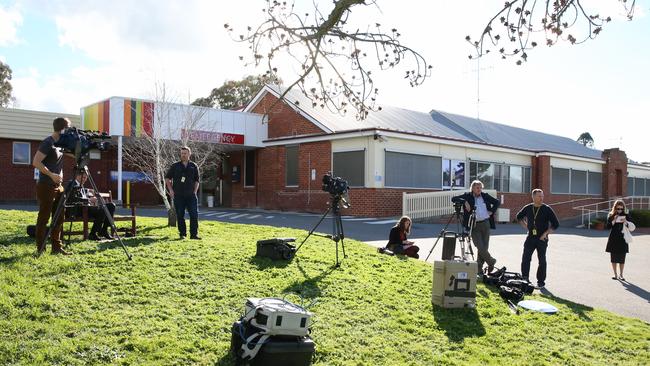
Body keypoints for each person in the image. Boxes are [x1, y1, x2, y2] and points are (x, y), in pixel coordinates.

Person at [32, 117, 73, 256]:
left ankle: (56, 247)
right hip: (46, 185)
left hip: (58, 185)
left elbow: (69, 157)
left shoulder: (61, 145)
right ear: (62, 129)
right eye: (68, 128)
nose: (69, 131)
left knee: (59, 217)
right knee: (44, 218)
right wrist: (51, 175)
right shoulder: (48, 142)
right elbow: (36, 162)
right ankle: (41, 248)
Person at [452, 180, 500, 275]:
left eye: (480, 187)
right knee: (480, 246)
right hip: (474, 225)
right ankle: (491, 261)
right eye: (477, 188)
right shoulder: (467, 195)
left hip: (486, 223)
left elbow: (497, 202)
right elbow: (453, 199)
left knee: (484, 248)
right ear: (472, 188)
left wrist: (492, 211)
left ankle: (479, 270)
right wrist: (464, 201)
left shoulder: (485, 196)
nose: (479, 189)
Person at [516, 189, 560, 289]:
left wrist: (545, 234)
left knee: (542, 260)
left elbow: (556, 224)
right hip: (530, 237)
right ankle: (525, 278)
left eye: (542, 196)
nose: (542, 198)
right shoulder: (528, 208)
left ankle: (541, 282)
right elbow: (519, 217)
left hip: (542, 239)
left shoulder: (547, 209)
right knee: (526, 258)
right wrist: (526, 226)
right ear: (533, 197)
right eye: (539, 196)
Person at [165, 146, 201, 240]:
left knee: (194, 215)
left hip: (191, 196)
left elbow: (197, 180)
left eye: (185, 153)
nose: (183, 155)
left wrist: (195, 191)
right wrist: (171, 190)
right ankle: (183, 234)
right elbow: (167, 178)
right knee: (180, 215)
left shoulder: (194, 166)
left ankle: (194, 235)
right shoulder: (175, 166)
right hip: (179, 195)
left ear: (189, 154)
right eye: (182, 153)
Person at [70, 171, 116, 240]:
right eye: (84, 177)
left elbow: (83, 191)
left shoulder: (80, 184)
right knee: (102, 209)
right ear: (78, 176)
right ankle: (93, 234)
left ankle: (104, 230)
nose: (85, 179)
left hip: (86, 208)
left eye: (86, 178)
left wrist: (89, 190)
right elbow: (73, 198)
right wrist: (89, 200)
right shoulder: (72, 184)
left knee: (111, 205)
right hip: (79, 210)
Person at [606, 200, 633, 281]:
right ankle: (615, 274)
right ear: (615, 208)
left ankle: (621, 274)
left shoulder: (626, 215)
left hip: (623, 238)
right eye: (618, 209)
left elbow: (631, 225)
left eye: (621, 209)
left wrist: (626, 222)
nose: (619, 210)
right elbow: (608, 227)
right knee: (613, 257)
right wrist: (614, 220)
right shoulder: (611, 215)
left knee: (622, 258)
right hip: (613, 238)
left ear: (623, 208)